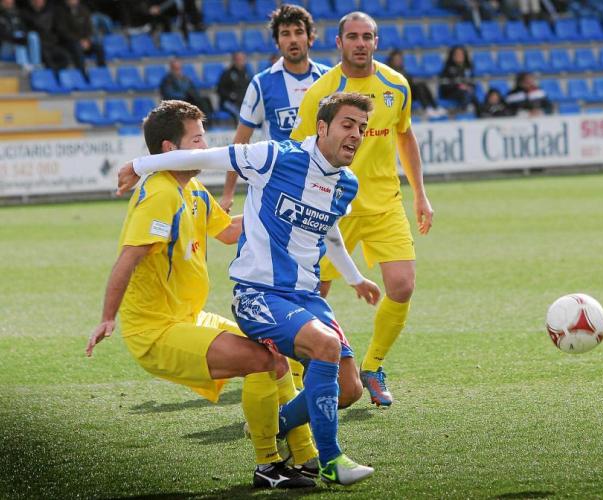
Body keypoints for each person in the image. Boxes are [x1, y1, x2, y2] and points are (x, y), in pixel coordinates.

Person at [118, 92, 381, 486]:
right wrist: (139, 165)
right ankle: (330, 460)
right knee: (324, 347)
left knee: (349, 389)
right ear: (322, 127)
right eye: (347, 124)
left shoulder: (347, 184)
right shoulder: (275, 156)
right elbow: (211, 158)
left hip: (306, 296)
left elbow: (328, 232)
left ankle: (278, 423)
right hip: (259, 295)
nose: (356, 134)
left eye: (361, 127)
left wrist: (355, 277)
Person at [86, 100, 316, 490]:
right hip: (156, 332)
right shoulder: (160, 194)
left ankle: (307, 457)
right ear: (169, 149)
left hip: (189, 318)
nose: (205, 147)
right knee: (261, 361)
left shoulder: (190, 188)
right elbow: (128, 258)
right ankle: (268, 465)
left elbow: (227, 231)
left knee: (274, 352)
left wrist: (287, 211)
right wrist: (108, 318)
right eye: (197, 140)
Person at [290, 12, 434, 407]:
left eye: (367, 37)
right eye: (352, 36)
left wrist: (420, 194)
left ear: (376, 42)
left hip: (384, 203)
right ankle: (302, 375)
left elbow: (405, 136)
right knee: (313, 292)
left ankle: (372, 366)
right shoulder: (321, 92)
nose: (360, 43)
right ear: (338, 43)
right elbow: (298, 149)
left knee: (402, 286)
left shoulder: (396, 85)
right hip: (332, 206)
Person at [219, 3, 328, 212]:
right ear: (277, 42)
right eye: (285, 33)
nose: (293, 39)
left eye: (299, 32)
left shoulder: (328, 79)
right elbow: (240, 142)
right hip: (277, 187)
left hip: (321, 188)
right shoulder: (261, 84)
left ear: (311, 38)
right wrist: (227, 194)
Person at [386, 48, 445, 119]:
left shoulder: (403, 70)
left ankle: (434, 107)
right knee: (418, 87)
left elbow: (409, 82)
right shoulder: (388, 72)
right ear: (391, 61)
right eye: (396, 59)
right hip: (397, 95)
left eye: (400, 59)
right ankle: (427, 109)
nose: (399, 61)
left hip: (408, 93)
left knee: (421, 85)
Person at [55, 0, 106, 78]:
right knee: (76, 47)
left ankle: (103, 72)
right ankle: (83, 74)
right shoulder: (60, 11)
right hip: (68, 43)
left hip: (84, 41)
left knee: (99, 47)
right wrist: (78, 40)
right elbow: (62, 31)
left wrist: (87, 40)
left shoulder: (84, 10)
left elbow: (89, 27)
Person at [22, 0, 71, 74]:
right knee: (48, 59)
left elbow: (56, 29)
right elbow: (31, 29)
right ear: (32, 2)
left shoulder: (49, 13)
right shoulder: (26, 13)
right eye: (36, 0)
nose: (39, 1)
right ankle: (51, 76)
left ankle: (55, 74)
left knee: (66, 57)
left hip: (51, 44)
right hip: (38, 46)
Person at [0, 0, 41, 71]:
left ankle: (36, 63)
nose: (9, 2)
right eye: (6, 1)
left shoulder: (17, 13)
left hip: (17, 43)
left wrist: (24, 36)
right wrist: (17, 39)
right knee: (18, 35)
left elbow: (24, 28)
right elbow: (3, 35)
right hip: (4, 47)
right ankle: (23, 64)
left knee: (33, 35)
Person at [439, 45, 479, 112]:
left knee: (473, 96)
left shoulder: (468, 68)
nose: (459, 56)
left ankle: (480, 114)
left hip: (466, 92)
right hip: (451, 92)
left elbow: (472, 82)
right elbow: (444, 85)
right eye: (457, 54)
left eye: (461, 54)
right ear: (452, 56)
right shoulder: (447, 69)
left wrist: (470, 87)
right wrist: (459, 86)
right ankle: (463, 112)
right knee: (464, 94)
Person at [216, 51, 251, 122]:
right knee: (240, 114)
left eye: (243, 59)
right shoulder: (227, 73)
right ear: (234, 60)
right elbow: (220, 89)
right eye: (239, 59)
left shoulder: (246, 73)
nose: (241, 61)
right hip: (229, 102)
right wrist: (231, 96)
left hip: (242, 101)